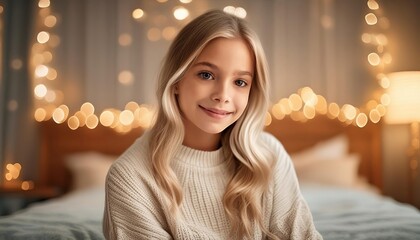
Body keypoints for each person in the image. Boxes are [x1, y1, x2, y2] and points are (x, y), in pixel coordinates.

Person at [103, 9, 322, 240]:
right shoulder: (130, 178)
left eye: (240, 82)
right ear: (176, 80)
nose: (223, 95)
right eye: (206, 75)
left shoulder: (269, 156)